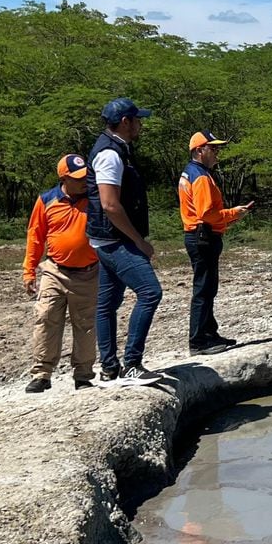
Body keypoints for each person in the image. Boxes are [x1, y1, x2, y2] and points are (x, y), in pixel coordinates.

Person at [87, 97, 165, 387]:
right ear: (125, 122)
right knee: (150, 292)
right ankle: (132, 365)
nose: (140, 124)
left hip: (104, 240)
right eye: (137, 119)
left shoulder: (116, 148)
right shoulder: (110, 154)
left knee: (106, 304)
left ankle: (109, 369)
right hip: (115, 240)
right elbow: (110, 205)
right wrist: (139, 242)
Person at [21, 153, 99, 393]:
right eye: (77, 178)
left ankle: (84, 375)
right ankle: (42, 374)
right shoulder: (46, 201)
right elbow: (35, 236)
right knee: (46, 318)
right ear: (63, 178)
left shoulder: (95, 198)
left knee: (86, 324)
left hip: (88, 273)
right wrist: (29, 271)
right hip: (54, 270)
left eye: (85, 176)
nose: (83, 182)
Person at [178, 130, 253, 355]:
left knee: (208, 287)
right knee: (204, 288)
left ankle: (210, 333)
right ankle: (199, 341)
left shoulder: (193, 172)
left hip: (201, 235)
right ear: (200, 150)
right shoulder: (200, 176)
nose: (217, 152)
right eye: (213, 148)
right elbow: (207, 213)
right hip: (203, 237)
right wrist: (233, 214)